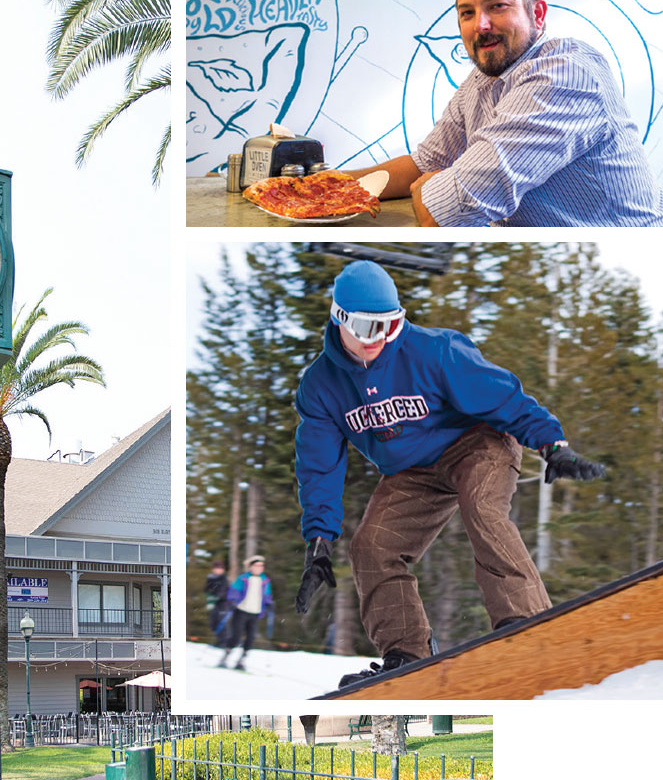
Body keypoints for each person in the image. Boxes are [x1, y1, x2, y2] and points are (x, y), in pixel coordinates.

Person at [294, 261, 605, 687]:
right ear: (340, 319)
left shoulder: (435, 351)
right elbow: (320, 464)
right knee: (371, 545)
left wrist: (552, 444)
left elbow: (503, 395)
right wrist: (319, 539)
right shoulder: (320, 387)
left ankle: (526, 622)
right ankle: (407, 653)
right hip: (411, 471)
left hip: (477, 443)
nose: (379, 340)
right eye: (368, 329)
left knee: (481, 507)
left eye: (389, 327)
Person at [354, 0, 663, 227]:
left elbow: (445, 211)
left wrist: (429, 190)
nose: (480, 25)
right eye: (467, 13)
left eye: (497, 6)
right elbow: (422, 165)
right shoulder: (479, 83)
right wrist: (327, 184)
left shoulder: (566, 74)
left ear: (537, 15)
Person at [217, 555, 275, 671]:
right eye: (257, 565)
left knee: (251, 638)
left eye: (261, 566)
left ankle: (241, 661)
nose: (259, 568)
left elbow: (267, 595)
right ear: (251, 567)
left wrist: (269, 603)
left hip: (255, 612)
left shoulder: (265, 580)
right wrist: (233, 601)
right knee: (236, 636)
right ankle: (225, 658)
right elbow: (234, 591)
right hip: (241, 610)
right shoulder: (243, 578)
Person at [205, 557, 230, 643]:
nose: (218, 570)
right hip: (213, 603)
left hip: (223, 603)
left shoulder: (223, 579)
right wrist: (210, 598)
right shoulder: (211, 578)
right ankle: (218, 639)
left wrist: (216, 597)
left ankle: (223, 641)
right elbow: (207, 589)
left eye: (220, 568)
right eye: (217, 568)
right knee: (213, 622)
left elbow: (224, 591)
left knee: (221, 622)